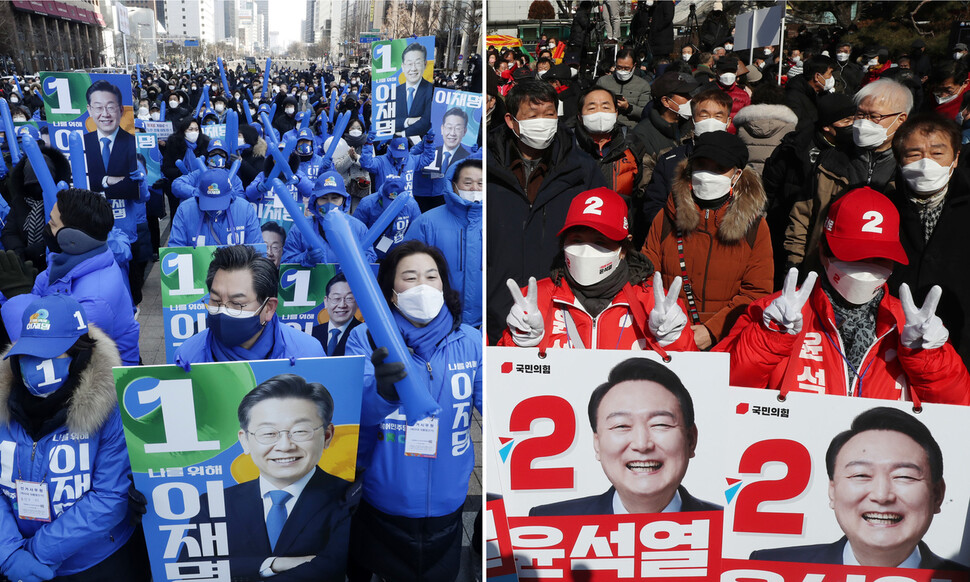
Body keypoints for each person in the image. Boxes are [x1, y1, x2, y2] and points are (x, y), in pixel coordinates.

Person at [715, 188, 970, 405]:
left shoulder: (913, 326)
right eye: (852, 256)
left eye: (877, 259)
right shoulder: (773, 313)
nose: (864, 269)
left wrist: (928, 359)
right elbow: (720, 390)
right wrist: (767, 339)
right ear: (823, 251)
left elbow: (956, 409)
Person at [344, 241, 481, 582]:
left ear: (444, 285)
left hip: (448, 501)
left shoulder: (470, 340)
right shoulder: (365, 339)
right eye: (410, 276)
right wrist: (383, 392)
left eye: (431, 276)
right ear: (391, 292)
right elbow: (352, 413)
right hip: (382, 499)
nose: (422, 285)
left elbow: (496, 407)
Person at [0, 295, 148, 581]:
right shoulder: (4, 406)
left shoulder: (110, 409)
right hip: (16, 560)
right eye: (30, 354)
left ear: (79, 353)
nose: (36, 366)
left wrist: (37, 552)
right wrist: (8, 553)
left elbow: (110, 496)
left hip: (96, 563)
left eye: (52, 354)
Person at [750, 407, 967, 571]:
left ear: (937, 495)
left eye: (904, 476)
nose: (882, 495)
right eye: (861, 475)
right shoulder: (773, 569)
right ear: (832, 491)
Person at [192, 374, 356, 581]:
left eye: (300, 431)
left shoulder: (348, 499)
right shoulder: (213, 503)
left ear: (327, 436)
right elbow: (192, 570)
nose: (285, 446)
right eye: (268, 433)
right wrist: (273, 564)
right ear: (245, 441)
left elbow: (336, 568)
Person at [486, 79, 607, 344]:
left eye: (549, 114)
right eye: (533, 115)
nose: (543, 122)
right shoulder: (485, 169)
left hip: (563, 313)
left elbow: (601, 238)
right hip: (495, 312)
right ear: (511, 120)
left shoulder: (583, 171)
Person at [501, 186, 694, 351]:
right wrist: (519, 342)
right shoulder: (535, 300)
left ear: (623, 249)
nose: (586, 250)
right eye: (576, 240)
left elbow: (692, 378)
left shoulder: (653, 304)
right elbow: (503, 376)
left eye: (600, 242)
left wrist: (672, 341)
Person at [531, 357, 721, 516]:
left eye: (660, 424)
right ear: (597, 444)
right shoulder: (551, 522)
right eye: (622, 426)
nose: (642, 444)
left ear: (691, 440)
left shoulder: (726, 529)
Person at [644, 131, 772, 351]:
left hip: (727, 343)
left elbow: (757, 292)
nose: (707, 175)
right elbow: (646, 277)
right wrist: (665, 320)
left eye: (718, 168)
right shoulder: (666, 217)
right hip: (666, 337)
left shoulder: (754, 227)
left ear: (737, 174)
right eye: (701, 165)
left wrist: (713, 330)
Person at [0, 189, 141, 366]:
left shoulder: (94, 300)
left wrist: (17, 296)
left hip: (101, 386)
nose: (47, 227)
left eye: (52, 222)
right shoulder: (68, 262)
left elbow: (51, 359)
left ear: (72, 238)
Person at [785, 78, 911, 272]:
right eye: (860, 114)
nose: (864, 122)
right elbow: (803, 215)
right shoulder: (830, 159)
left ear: (900, 119)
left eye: (874, 116)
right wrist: (794, 263)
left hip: (880, 271)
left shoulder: (909, 169)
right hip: (825, 265)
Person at [887, 114, 970, 372]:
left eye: (937, 153)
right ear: (900, 159)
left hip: (960, 341)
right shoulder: (882, 207)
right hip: (893, 341)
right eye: (914, 154)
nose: (926, 163)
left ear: (955, 158)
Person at [174, 245, 324, 365]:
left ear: (269, 307)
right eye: (215, 300)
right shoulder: (187, 357)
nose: (222, 311)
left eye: (237, 303)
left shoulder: (308, 355)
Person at [405, 157, 482, 328]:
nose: (474, 189)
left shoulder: (498, 220)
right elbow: (406, 268)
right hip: (438, 321)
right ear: (453, 184)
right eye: (467, 182)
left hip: (487, 323)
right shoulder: (427, 223)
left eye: (480, 183)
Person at [282, 171, 376, 266]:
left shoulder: (358, 228)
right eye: (324, 198)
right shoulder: (300, 229)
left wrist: (357, 258)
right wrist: (305, 258)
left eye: (335, 198)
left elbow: (371, 259)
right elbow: (286, 263)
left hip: (346, 280)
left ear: (344, 201)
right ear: (315, 200)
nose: (329, 203)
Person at [168, 169, 262, 247]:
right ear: (199, 195)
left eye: (219, 202)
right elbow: (175, 250)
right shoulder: (184, 211)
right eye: (209, 202)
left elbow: (257, 251)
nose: (214, 208)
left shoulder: (245, 210)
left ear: (230, 196)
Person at [83, 80, 137, 200]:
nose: (105, 114)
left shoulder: (134, 143)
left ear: (121, 110)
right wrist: (107, 180)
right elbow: (79, 179)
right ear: (89, 110)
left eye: (111, 107)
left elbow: (133, 184)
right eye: (98, 108)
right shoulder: (82, 143)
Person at [353, 174, 422, 260]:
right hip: (373, 255)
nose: (391, 207)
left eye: (395, 203)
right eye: (389, 202)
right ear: (383, 194)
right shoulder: (367, 204)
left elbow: (416, 233)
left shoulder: (412, 206)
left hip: (399, 255)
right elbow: (355, 231)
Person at [595, 49, 652, 129]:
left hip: (631, 129)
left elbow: (645, 112)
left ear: (634, 66)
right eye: (619, 67)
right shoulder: (603, 82)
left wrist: (628, 107)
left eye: (626, 68)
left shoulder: (643, 85)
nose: (622, 71)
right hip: (605, 126)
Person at [310, 273, 361, 357]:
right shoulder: (310, 334)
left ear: (357, 302)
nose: (342, 305)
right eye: (336, 298)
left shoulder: (366, 334)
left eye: (349, 298)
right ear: (326, 302)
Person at [394, 42, 434, 142]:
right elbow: (385, 121)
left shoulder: (431, 90)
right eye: (409, 64)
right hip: (395, 146)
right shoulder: (393, 92)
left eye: (418, 63)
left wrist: (403, 133)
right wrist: (408, 121)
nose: (413, 68)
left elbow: (426, 121)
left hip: (422, 144)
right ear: (403, 66)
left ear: (425, 65)